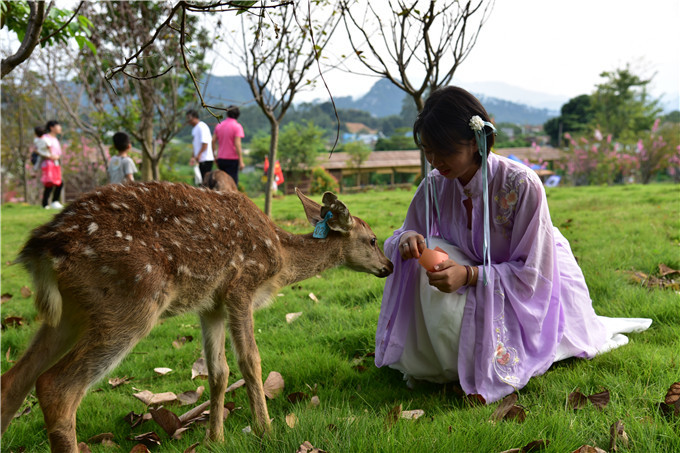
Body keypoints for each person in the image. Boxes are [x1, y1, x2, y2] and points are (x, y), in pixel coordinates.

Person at [374, 86, 652, 404]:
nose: (435, 161)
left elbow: (532, 273)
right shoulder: (436, 184)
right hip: (477, 269)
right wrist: (409, 239)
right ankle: (435, 356)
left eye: (445, 151)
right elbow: (407, 232)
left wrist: (468, 275)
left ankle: (468, 355)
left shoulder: (521, 184)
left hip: (540, 275)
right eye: (427, 150)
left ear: (477, 141)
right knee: (424, 250)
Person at [212, 105, 245, 185]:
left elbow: (213, 141)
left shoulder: (219, 125)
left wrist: (215, 156)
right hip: (232, 160)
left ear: (227, 114)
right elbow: (237, 144)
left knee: (222, 183)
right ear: (237, 115)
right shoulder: (237, 127)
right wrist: (241, 161)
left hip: (221, 159)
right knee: (232, 184)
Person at [40, 120, 64, 209]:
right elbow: (39, 151)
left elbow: (58, 153)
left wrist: (56, 157)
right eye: (58, 126)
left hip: (55, 164)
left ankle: (54, 201)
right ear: (52, 127)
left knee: (59, 182)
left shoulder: (55, 139)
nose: (60, 128)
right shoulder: (45, 138)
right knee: (49, 183)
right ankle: (46, 203)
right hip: (48, 164)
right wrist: (49, 156)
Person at [186, 109, 214, 181]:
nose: (188, 121)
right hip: (200, 159)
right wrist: (193, 157)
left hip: (206, 159)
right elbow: (195, 145)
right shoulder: (195, 129)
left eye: (189, 118)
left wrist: (199, 155)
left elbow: (205, 143)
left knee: (206, 181)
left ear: (195, 117)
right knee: (201, 181)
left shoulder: (202, 126)